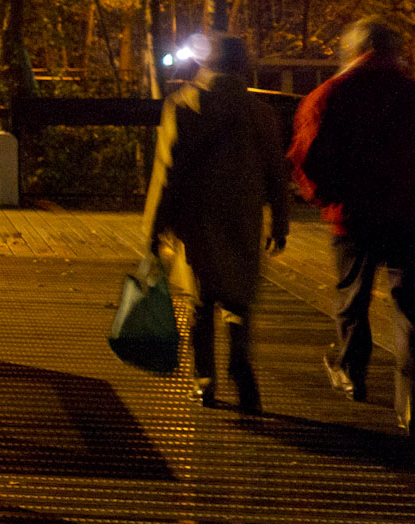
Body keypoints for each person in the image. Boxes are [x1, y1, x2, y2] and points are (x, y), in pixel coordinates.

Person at [144, 33, 292, 415]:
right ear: (243, 65)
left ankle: (204, 378)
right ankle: (240, 360)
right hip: (243, 214)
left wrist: (154, 227)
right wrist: (280, 221)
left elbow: (167, 171)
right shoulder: (259, 111)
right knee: (238, 297)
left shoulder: (184, 105)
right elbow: (277, 171)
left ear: (205, 63)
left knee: (201, 299)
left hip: (196, 216)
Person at [288, 16, 415, 432]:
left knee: (352, 298)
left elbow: (307, 155)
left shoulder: (328, 96)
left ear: (353, 50)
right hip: (408, 215)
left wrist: (325, 196)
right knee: (410, 306)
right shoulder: (410, 94)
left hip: (353, 217)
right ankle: (409, 400)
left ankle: (350, 373)